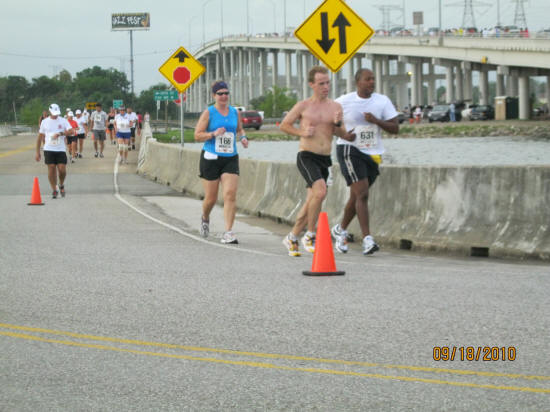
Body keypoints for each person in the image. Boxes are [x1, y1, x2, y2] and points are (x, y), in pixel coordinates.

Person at [279, 66, 354, 257]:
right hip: (306, 155)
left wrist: (337, 124)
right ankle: (310, 235)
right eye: (321, 83)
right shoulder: (303, 106)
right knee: (319, 192)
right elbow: (285, 125)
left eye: (327, 83)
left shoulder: (335, 107)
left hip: (325, 158)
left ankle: (292, 237)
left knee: (311, 200)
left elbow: (342, 133)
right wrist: (301, 132)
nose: (326, 87)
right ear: (312, 84)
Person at [330, 68, 399, 255]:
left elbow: (395, 128)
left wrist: (376, 120)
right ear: (358, 82)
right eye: (368, 79)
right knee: (362, 193)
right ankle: (368, 239)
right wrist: (344, 133)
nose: (372, 82)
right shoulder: (343, 101)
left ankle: (340, 229)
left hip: (372, 153)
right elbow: (331, 125)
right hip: (348, 149)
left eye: (373, 79)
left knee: (357, 196)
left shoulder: (382, 101)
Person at [194, 80, 249, 244]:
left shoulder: (234, 112)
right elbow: (197, 135)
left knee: (230, 194)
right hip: (211, 157)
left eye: (226, 93)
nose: (224, 96)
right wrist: (213, 134)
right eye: (220, 93)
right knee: (211, 198)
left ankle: (229, 232)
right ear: (214, 96)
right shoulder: (209, 113)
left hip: (230, 157)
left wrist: (244, 137)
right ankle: (205, 217)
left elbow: (239, 129)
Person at [35, 103, 74, 198]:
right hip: (48, 148)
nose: (55, 115)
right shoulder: (45, 122)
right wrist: (37, 152)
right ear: (49, 112)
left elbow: (71, 131)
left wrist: (61, 133)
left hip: (60, 148)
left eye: (57, 113)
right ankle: (54, 189)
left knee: (62, 170)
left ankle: (61, 184)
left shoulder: (63, 121)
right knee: (51, 168)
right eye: (53, 113)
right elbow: (40, 137)